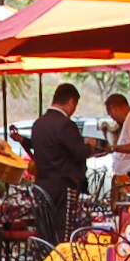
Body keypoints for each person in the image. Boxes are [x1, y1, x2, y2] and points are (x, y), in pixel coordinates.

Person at [29, 84, 94, 241]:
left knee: (45, 229)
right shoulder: (65, 124)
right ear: (71, 102)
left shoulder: (38, 124)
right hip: (63, 185)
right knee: (63, 230)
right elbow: (79, 153)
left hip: (42, 183)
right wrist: (90, 145)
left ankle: (44, 260)